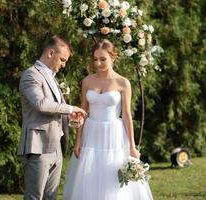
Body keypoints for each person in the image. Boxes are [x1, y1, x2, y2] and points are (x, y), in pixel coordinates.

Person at [63, 39, 153, 200]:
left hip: (114, 134)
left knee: (112, 175)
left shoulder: (123, 83)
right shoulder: (87, 81)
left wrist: (132, 146)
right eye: (95, 59)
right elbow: (82, 113)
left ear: (113, 58)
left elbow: (126, 115)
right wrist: (78, 142)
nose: (98, 63)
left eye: (103, 59)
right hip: (91, 132)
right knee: (89, 176)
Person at [18, 35, 87, 200]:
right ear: (50, 52)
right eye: (62, 59)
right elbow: (40, 104)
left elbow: (55, 112)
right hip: (38, 146)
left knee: (51, 197)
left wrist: (70, 119)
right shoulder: (31, 75)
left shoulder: (53, 79)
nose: (64, 65)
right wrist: (70, 108)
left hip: (56, 147)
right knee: (35, 197)